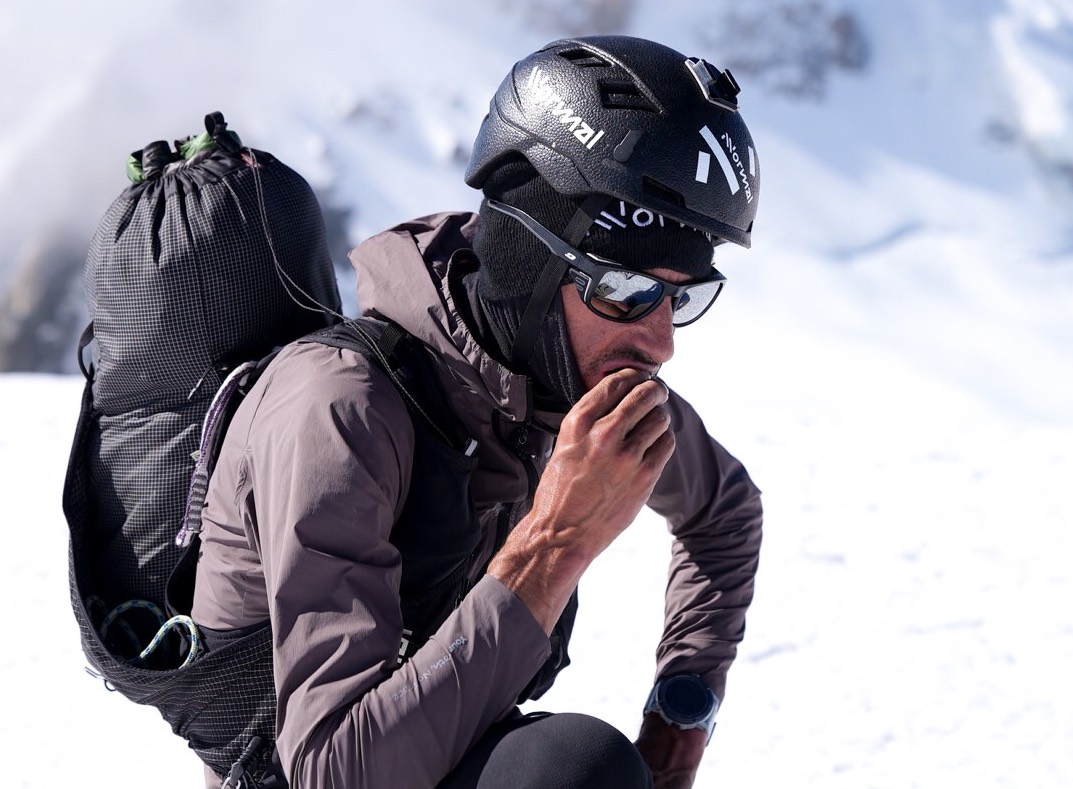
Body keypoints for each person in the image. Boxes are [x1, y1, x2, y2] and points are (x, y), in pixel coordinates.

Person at [192, 34, 763, 789]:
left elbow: (724, 512)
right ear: (530, 260)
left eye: (680, 296)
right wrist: (555, 541)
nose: (659, 342)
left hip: (441, 744)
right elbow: (331, 773)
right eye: (625, 291)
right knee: (576, 772)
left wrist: (682, 708)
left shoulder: (570, 377)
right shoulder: (339, 408)